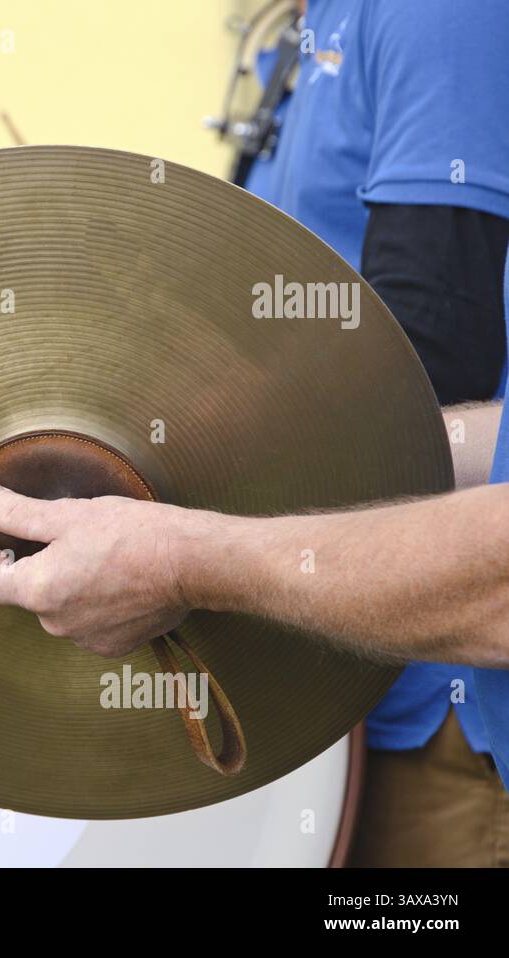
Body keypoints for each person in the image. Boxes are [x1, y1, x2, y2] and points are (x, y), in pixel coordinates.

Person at [116, 0, 509, 866]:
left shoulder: (435, 12)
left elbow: (432, 354)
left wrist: (178, 523)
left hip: (440, 707)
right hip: (332, 664)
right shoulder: (306, 32)